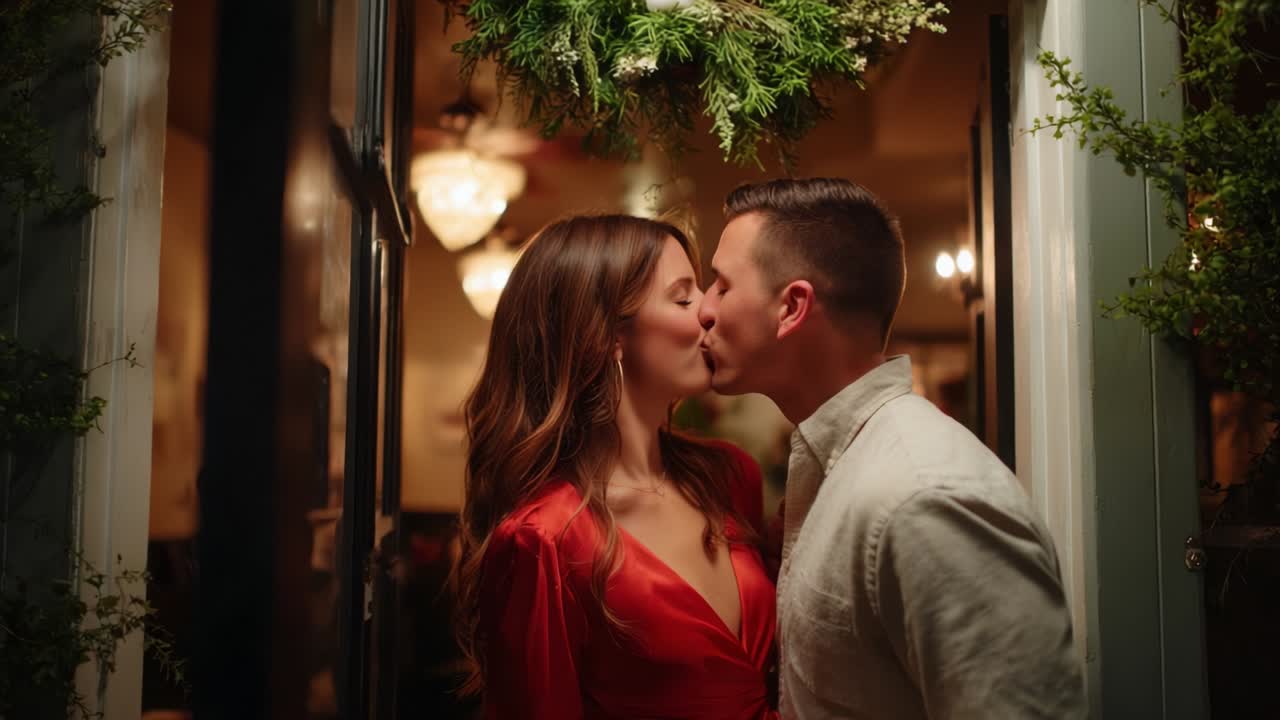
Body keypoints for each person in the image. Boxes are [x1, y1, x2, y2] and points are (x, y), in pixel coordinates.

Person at [697, 178, 1086, 719]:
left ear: (791, 308)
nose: (704, 310)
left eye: (720, 285)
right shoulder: (841, 464)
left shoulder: (925, 496)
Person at [453, 215, 778, 719]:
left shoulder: (730, 478)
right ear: (605, 335)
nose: (710, 312)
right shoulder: (544, 539)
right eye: (683, 297)